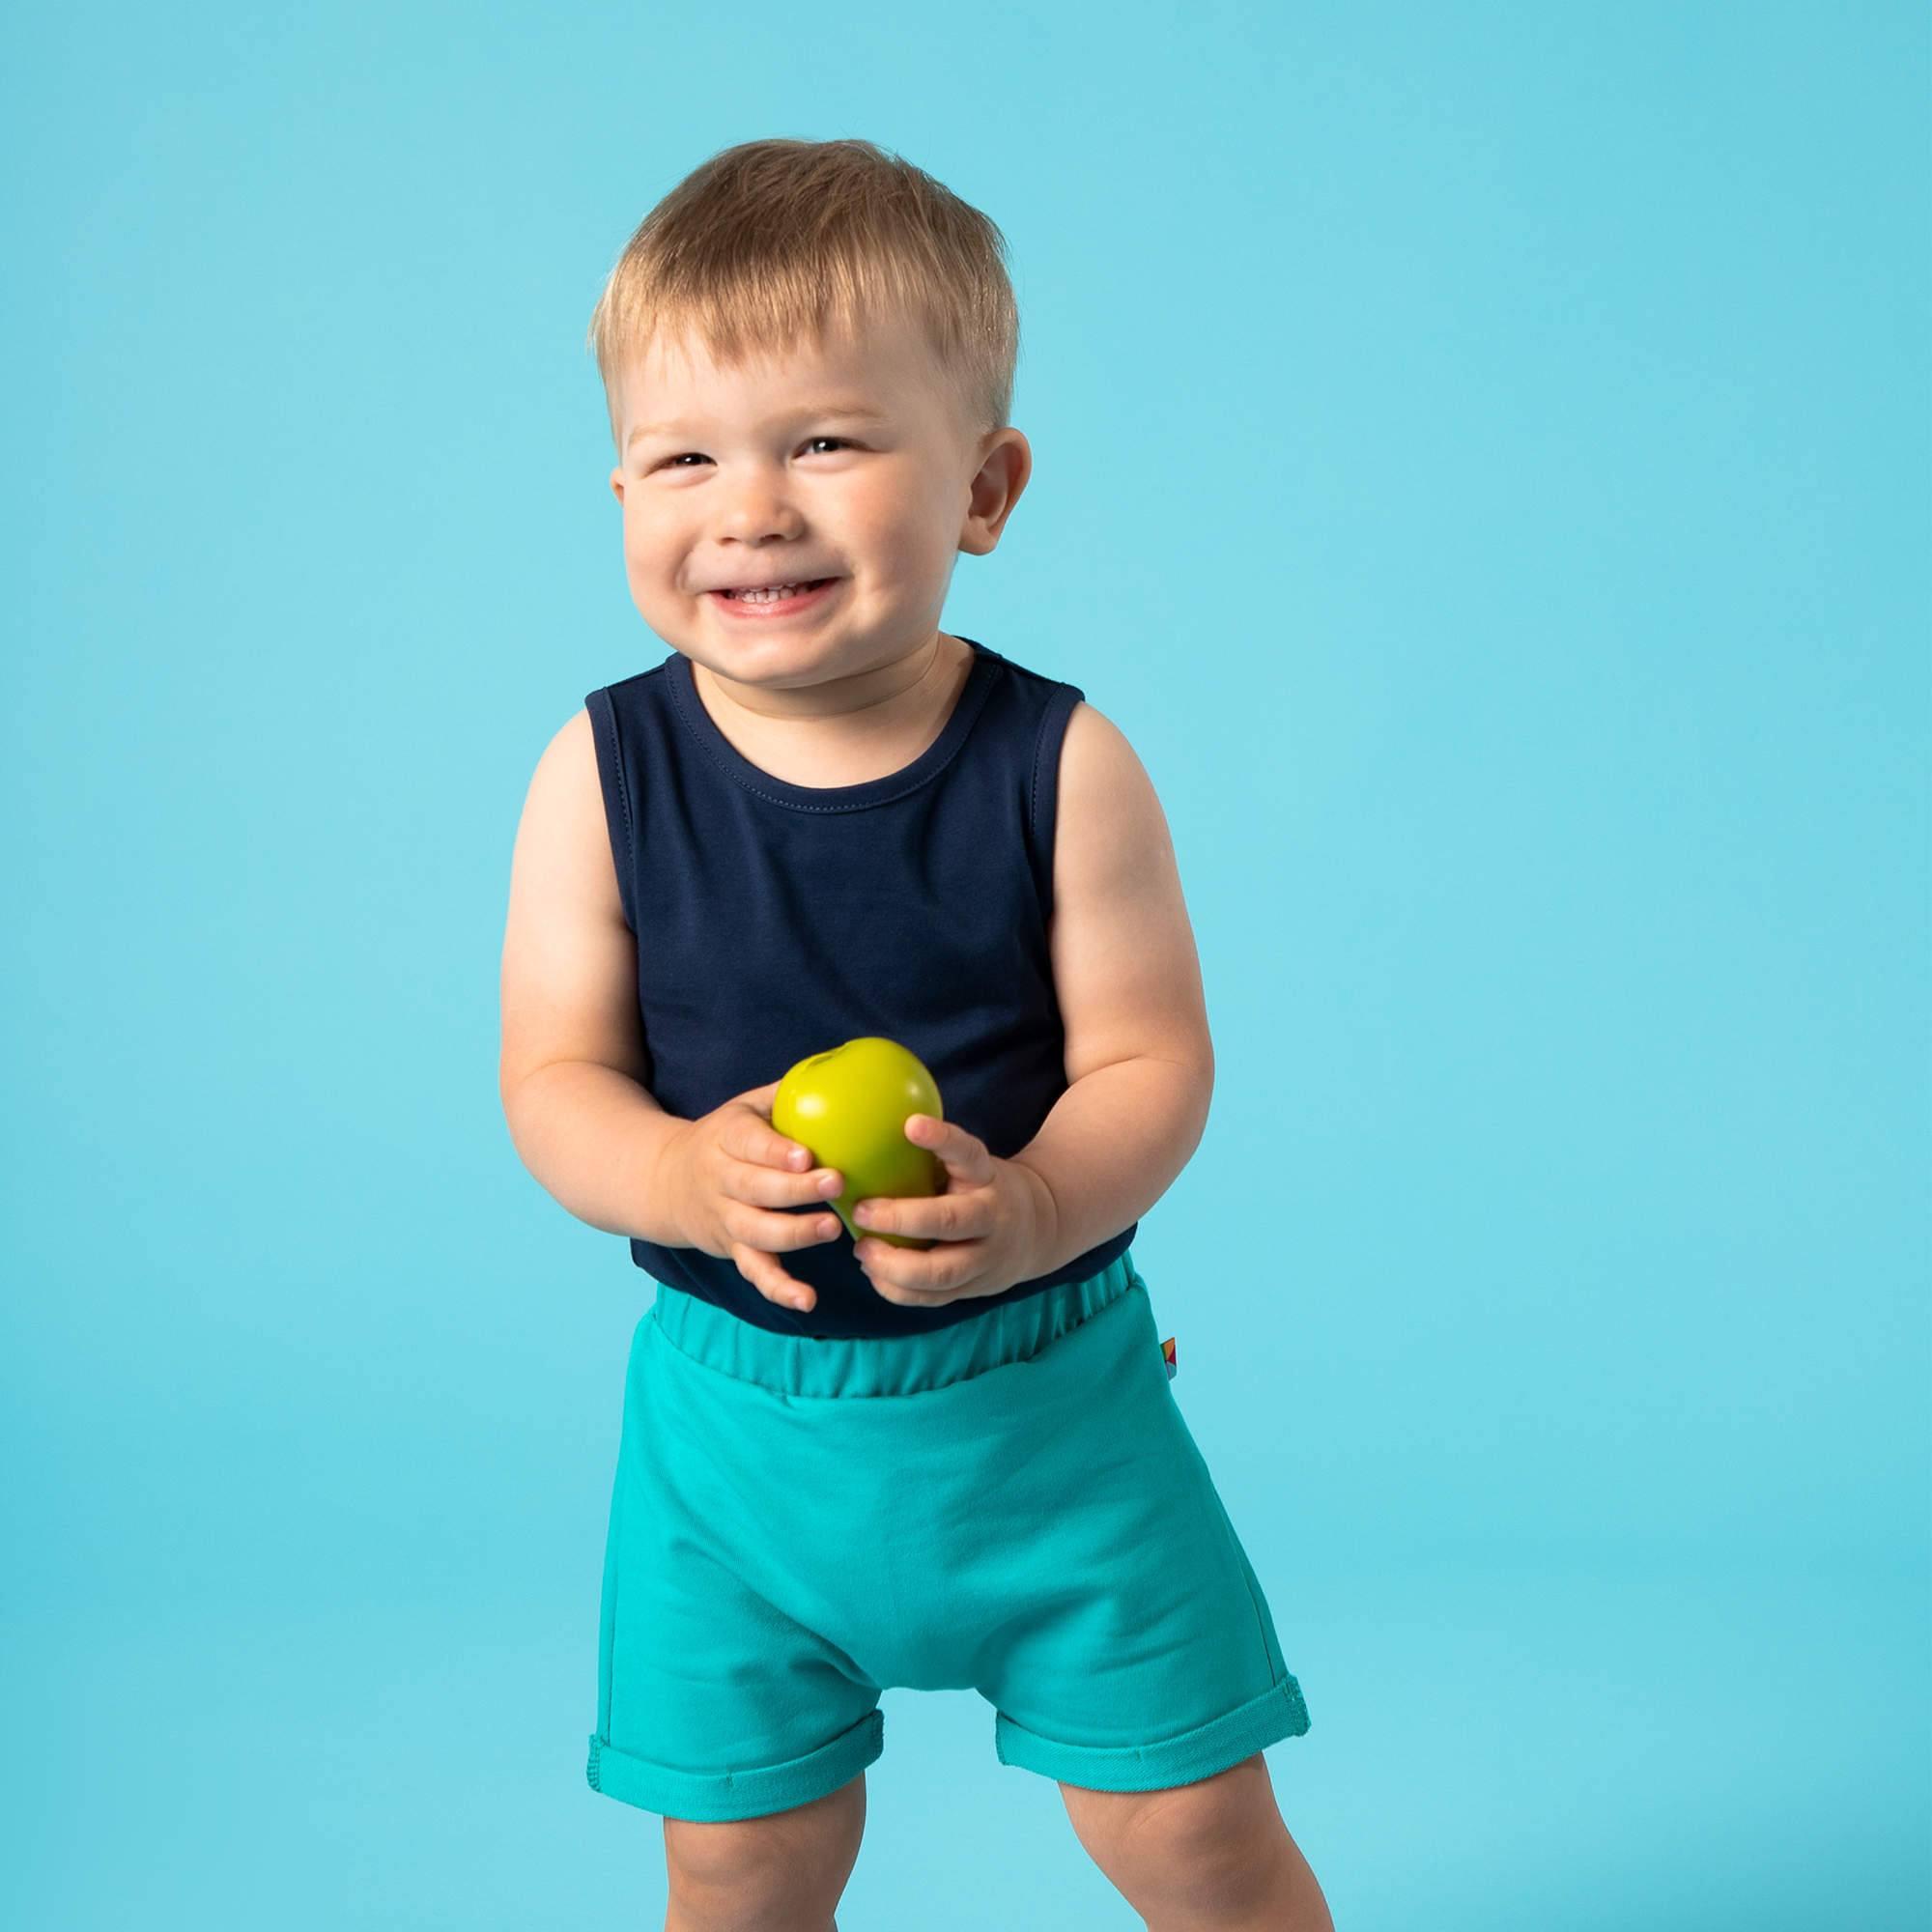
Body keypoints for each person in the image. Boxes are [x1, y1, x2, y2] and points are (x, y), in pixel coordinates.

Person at [498, 135, 1334, 1932]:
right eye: (683, 457)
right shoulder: (600, 773)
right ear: (621, 490)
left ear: (985, 485)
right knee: (739, 1864)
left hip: (1048, 1420)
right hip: (738, 1456)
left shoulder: (1066, 766)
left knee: (1194, 1836)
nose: (752, 506)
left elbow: (1152, 1067)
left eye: (827, 440)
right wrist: (672, 1171)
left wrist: (1035, 1208)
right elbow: (553, 1080)